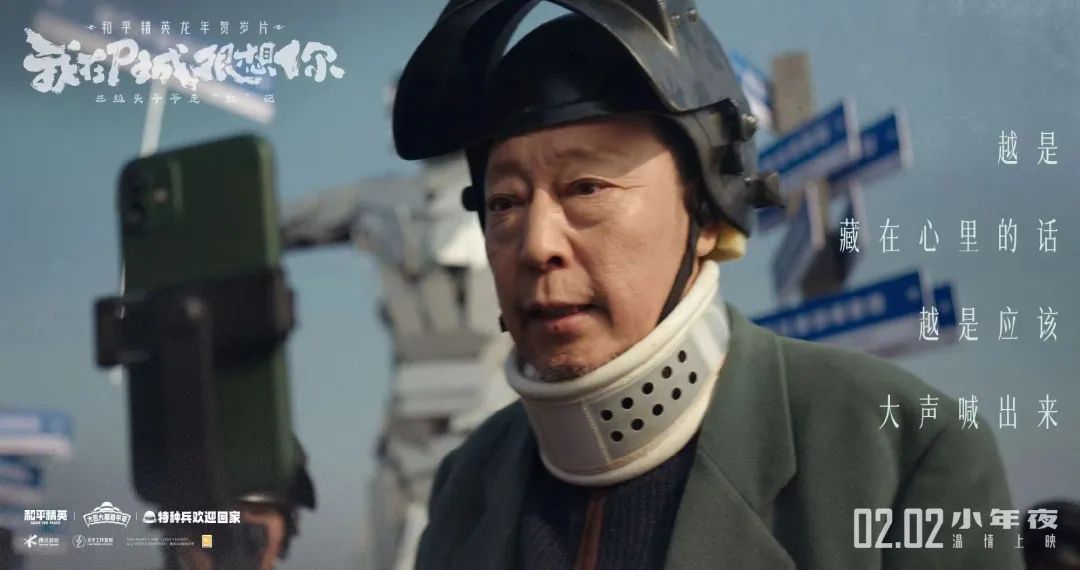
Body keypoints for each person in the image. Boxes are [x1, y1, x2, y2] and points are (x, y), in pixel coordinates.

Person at [392, 1, 1021, 568]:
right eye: (504, 202)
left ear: (707, 212)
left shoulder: (904, 449)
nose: (536, 245)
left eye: (586, 188)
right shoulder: (465, 486)